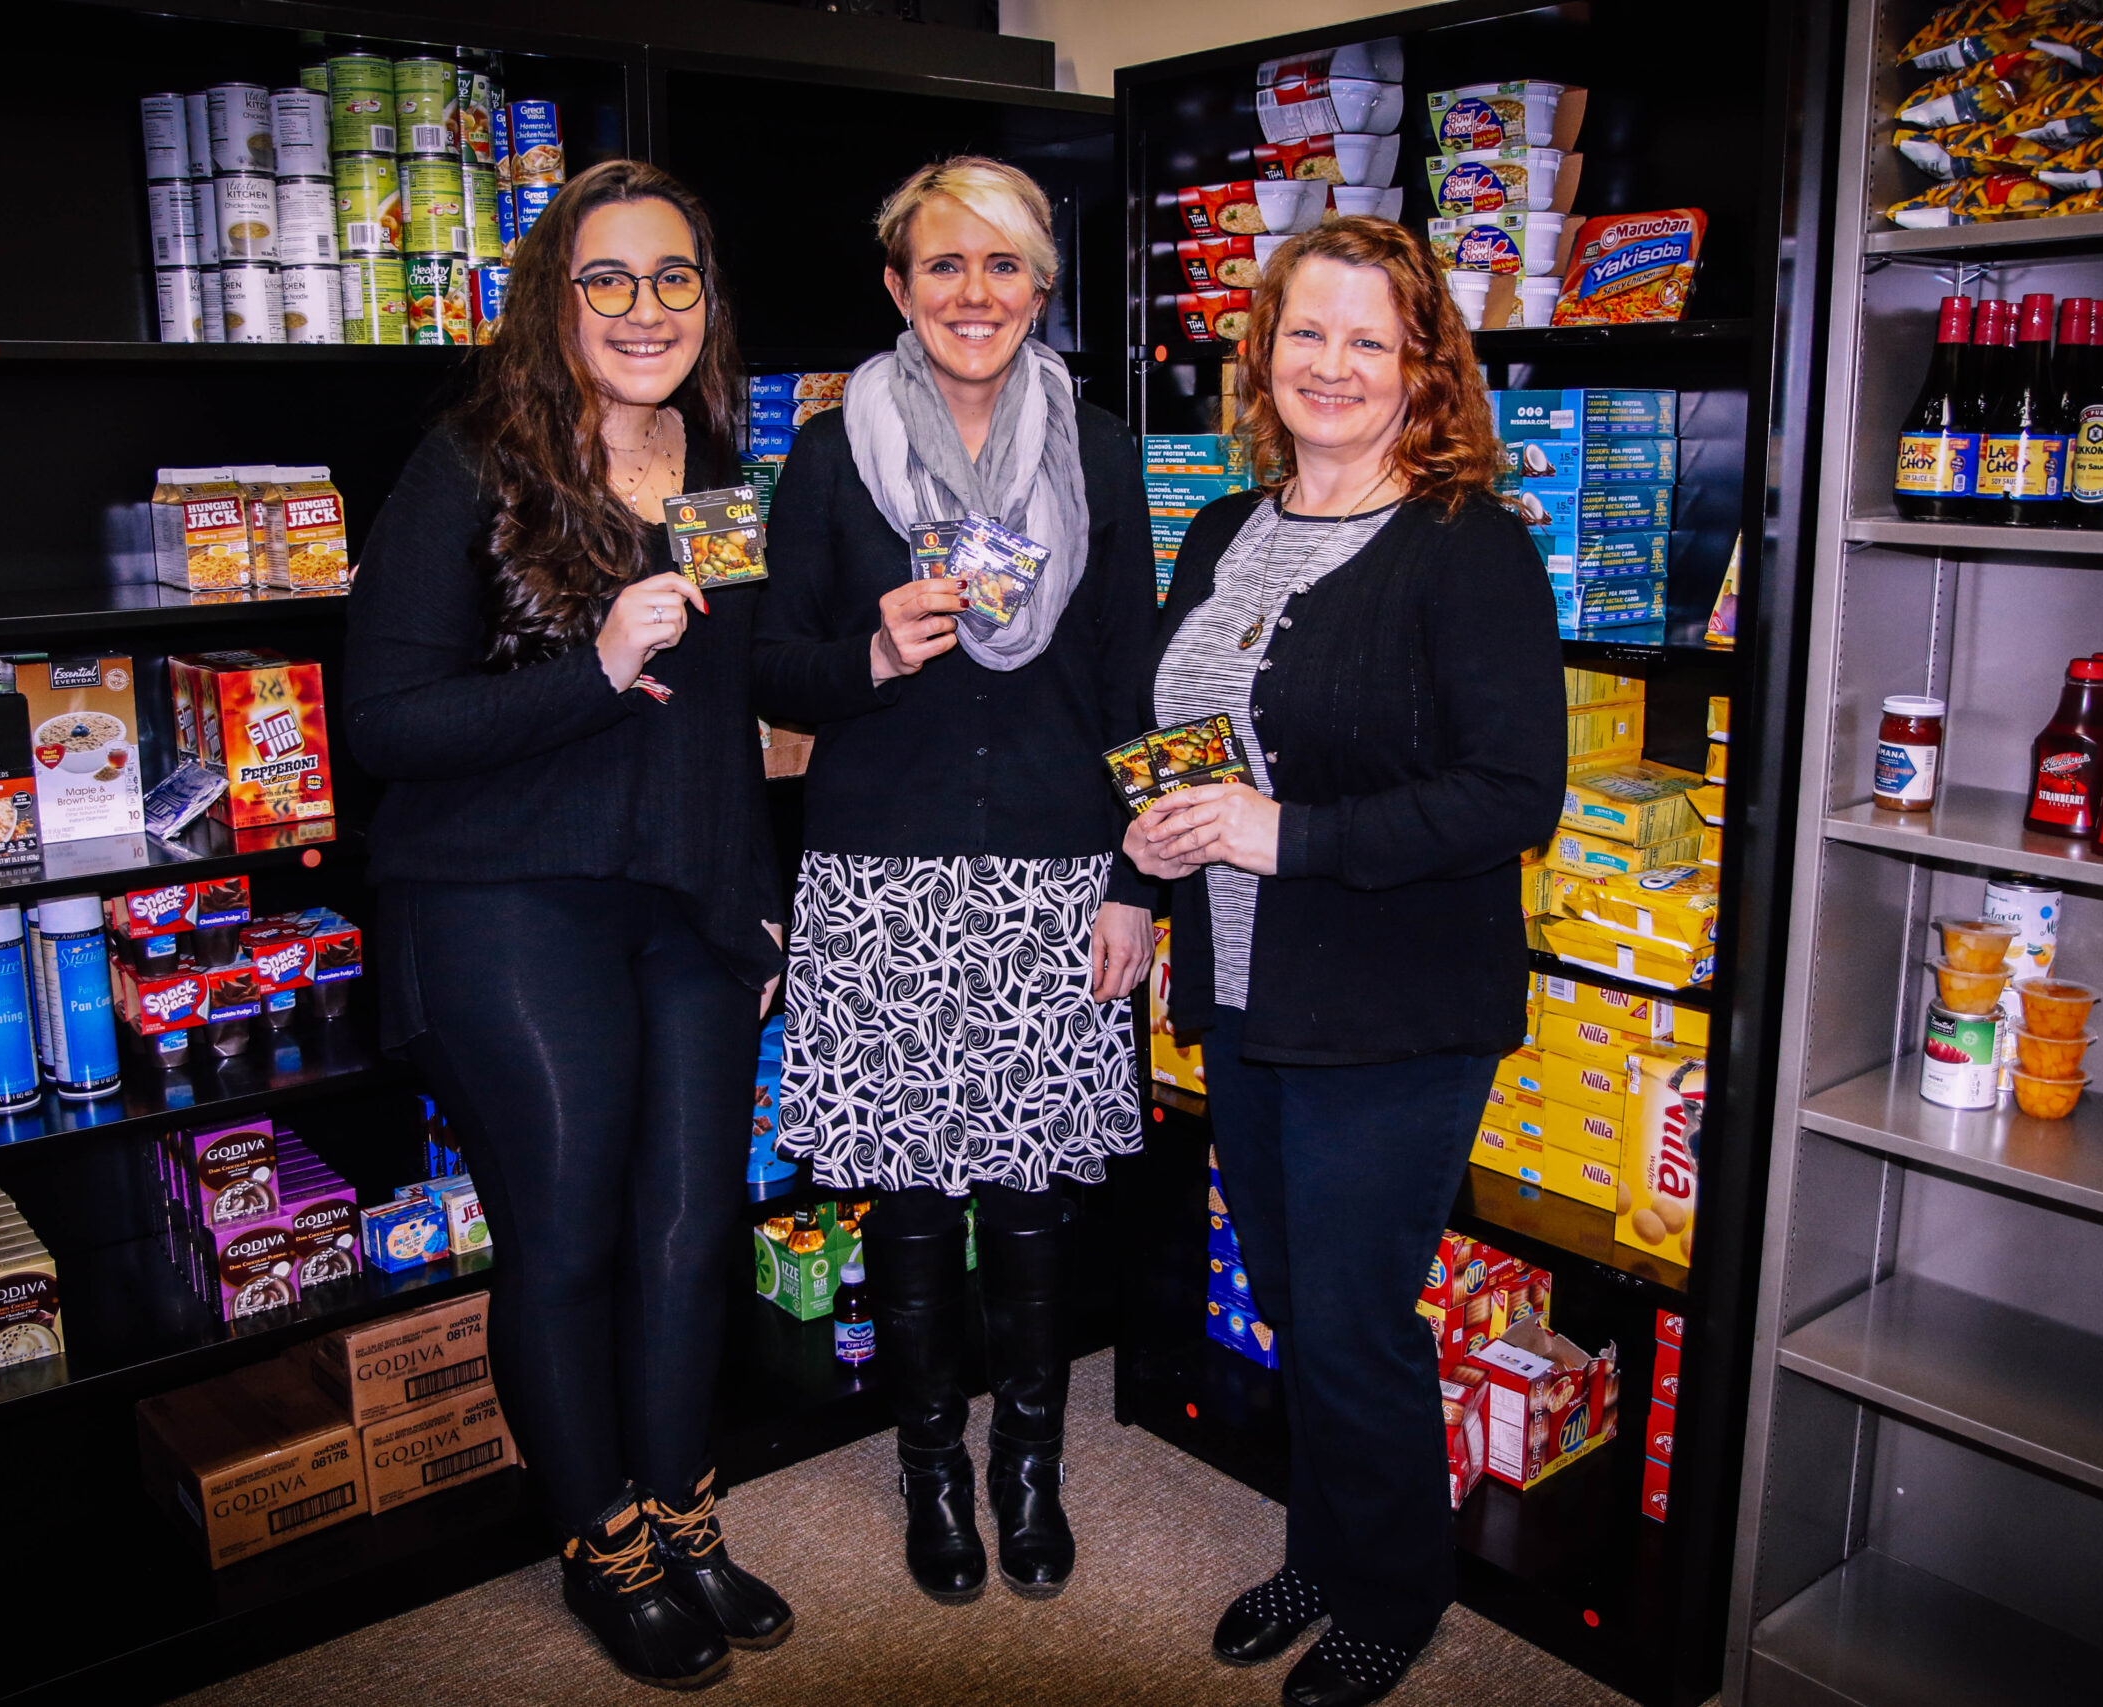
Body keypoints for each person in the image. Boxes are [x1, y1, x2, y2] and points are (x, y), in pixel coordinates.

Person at [346, 159, 791, 1692]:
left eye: (674, 277)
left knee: (691, 1225)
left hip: (683, 893)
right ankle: (598, 1532)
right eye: (608, 279)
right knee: (573, 1230)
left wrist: (755, 898)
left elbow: (728, 707)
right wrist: (591, 664)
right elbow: (385, 722)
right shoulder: (471, 465)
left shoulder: (720, 462)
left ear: (706, 298)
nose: (644, 309)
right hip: (501, 896)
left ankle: (683, 1509)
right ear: (555, 299)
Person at [1124, 217, 1564, 1707]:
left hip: (1394, 1002)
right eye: (1305, 332)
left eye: (1369, 339)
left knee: (1359, 1313)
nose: (1331, 365)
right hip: (1243, 990)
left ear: (1423, 368)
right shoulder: (1222, 529)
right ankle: (1327, 1548)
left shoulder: (1467, 547)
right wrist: (1167, 845)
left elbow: (1516, 796)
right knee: (1300, 1300)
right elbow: (1193, 744)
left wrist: (1278, 835)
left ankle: (1393, 1591)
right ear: (1262, 353)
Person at [754, 157, 1157, 1604]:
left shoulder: (1099, 453)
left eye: (1002, 267)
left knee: (1035, 1201)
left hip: (1060, 874)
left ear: (1041, 288)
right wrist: (866, 652)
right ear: (897, 287)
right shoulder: (825, 457)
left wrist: (1137, 879)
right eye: (942, 266)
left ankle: (1028, 1470)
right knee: (913, 1206)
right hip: (881, 877)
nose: (972, 294)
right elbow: (770, 658)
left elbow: (1135, 676)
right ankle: (933, 1470)